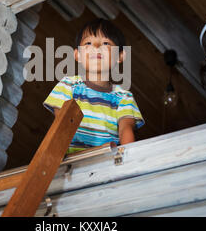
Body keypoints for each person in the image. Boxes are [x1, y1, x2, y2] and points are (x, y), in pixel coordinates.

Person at [43, 18, 145, 153]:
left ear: (120, 56)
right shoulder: (68, 85)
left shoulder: (124, 97)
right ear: (77, 55)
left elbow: (125, 129)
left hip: (106, 162)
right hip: (70, 163)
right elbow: (61, 124)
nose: (96, 47)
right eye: (88, 43)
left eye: (106, 43)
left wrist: (127, 157)